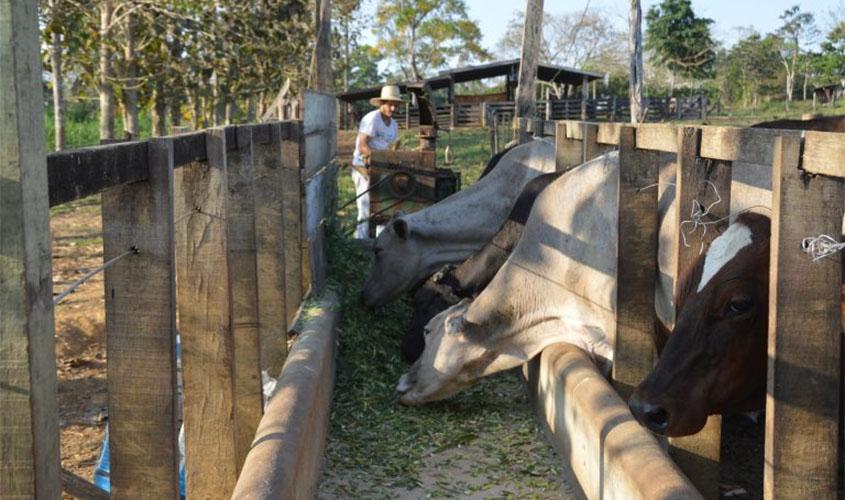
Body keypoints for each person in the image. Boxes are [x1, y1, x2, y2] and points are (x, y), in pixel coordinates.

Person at [351, 85, 404, 239]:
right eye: (389, 104)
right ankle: (361, 243)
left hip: (382, 169)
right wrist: (378, 160)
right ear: (382, 103)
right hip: (364, 166)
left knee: (384, 206)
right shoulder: (372, 118)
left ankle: (381, 241)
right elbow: (362, 145)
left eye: (395, 105)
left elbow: (390, 148)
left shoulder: (393, 125)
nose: (392, 108)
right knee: (365, 207)